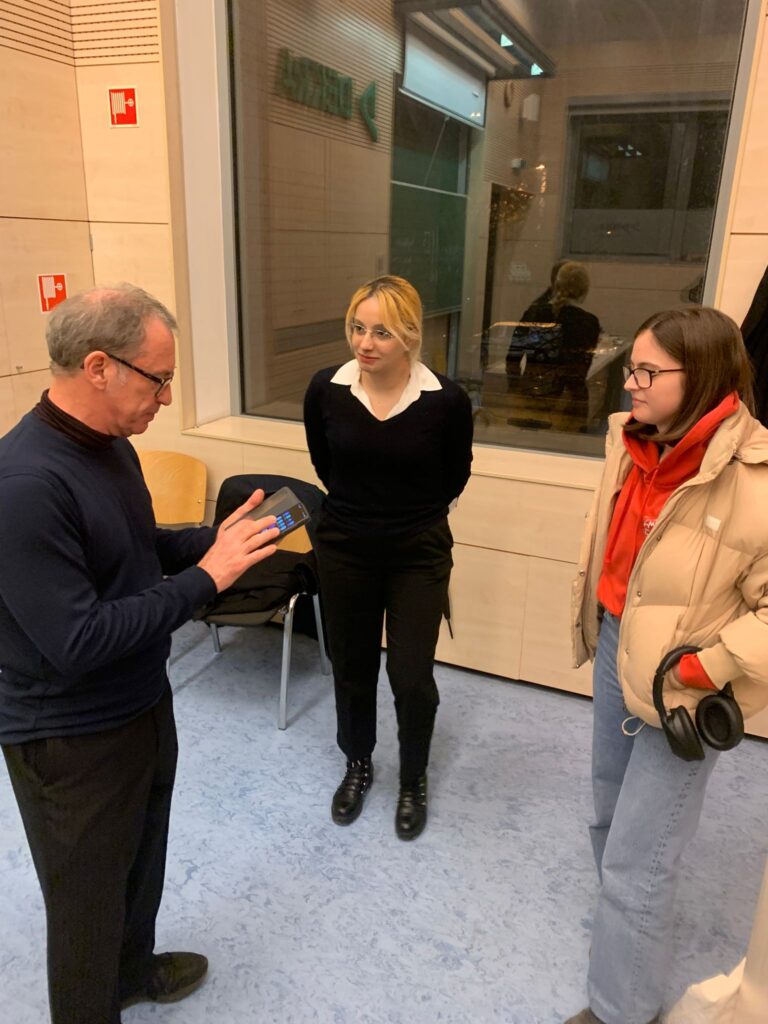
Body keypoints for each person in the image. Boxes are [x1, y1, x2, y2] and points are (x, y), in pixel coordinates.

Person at [0, 285, 280, 1024]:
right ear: (99, 367)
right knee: (85, 903)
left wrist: (214, 543)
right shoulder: (24, 485)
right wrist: (206, 579)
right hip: (68, 736)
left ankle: (130, 971)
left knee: (141, 859)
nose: (167, 397)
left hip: (139, 702)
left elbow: (133, 548)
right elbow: (78, 641)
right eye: (158, 379)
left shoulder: (112, 445)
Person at [568, 306, 768, 1024]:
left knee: (641, 856)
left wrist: (707, 669)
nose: (630, 383)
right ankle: (628, 935)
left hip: (683, 684)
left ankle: (621, 1008)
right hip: (617, 643)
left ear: (703, 376)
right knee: (607, 812)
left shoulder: (758, 477)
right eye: (632, 367)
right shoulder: (631, 441)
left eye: (649, 372)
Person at [303, 275, 473, 840]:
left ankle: (413, 777)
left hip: (417, 551)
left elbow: (455, 475)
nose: (365, 342)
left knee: (411, 675)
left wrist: (405, 514)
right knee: (352, 666)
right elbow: (324, 463)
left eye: (381, 332)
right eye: (357, 327)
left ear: (410, 336)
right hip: (344, 546)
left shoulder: (446, 401)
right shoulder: (326, 389)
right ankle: (358, 762)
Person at [506, 260, 600, 424]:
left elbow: (512, 357)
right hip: (571, 400)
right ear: (584, 290)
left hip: (533, 393)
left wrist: (515, 390)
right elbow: (580, 369)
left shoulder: (534, 312)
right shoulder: (589, 322)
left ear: (555, 284)